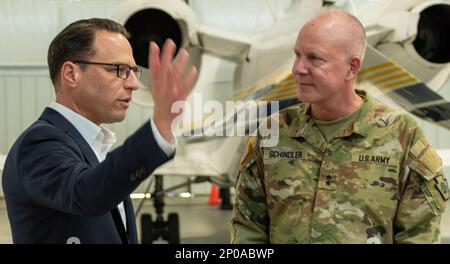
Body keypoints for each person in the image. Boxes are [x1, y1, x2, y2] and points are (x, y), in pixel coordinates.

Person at [231, 9, 449, 244]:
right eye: (297, 55)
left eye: (315, 58)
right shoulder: (273, 132)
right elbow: (248, 230)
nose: (298, 69)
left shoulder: (402, 135)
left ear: (352, 67)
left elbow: (419, 235)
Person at [2, 18, 197, 244]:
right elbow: (87, 192)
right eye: (119, 70)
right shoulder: (38, 143)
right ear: (71, 74)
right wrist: (159, 130)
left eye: (134, 71)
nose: (134, 83)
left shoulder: (93, 145)